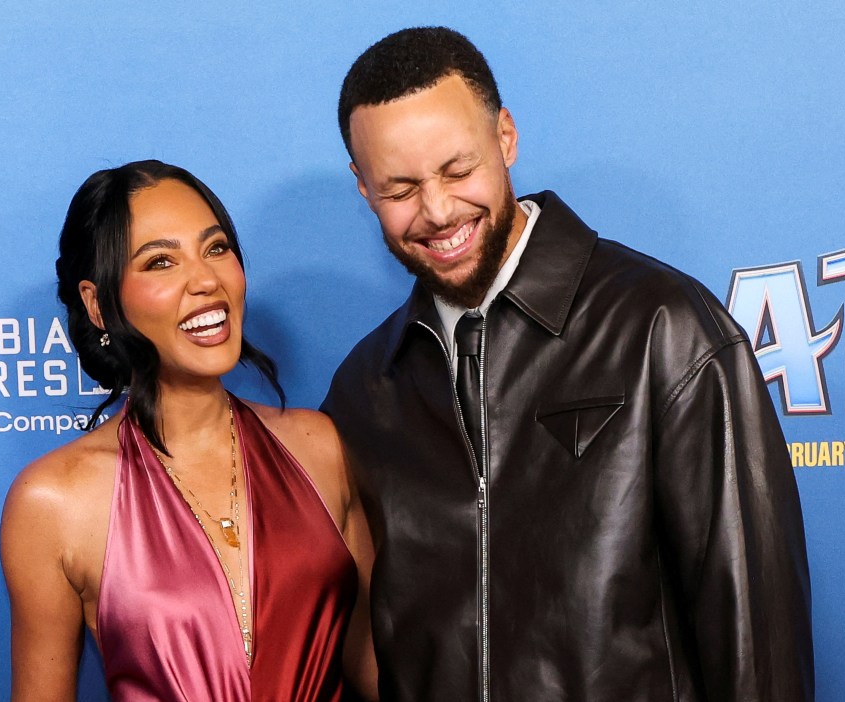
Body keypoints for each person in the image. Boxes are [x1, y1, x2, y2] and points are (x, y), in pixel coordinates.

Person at [322, 27, 814, 701]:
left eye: (458, 170)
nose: (437, 212)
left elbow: (756, 642)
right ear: (362, 187)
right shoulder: (363, 391)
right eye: (400, 188)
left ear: (506, 137)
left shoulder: (663, 330)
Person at [0, 160, 377, 701]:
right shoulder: (53, 502)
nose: (205, 280)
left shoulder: (320, 447)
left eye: (217, 248)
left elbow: (375, 667)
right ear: (98, 304)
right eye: (160, 262)